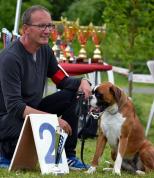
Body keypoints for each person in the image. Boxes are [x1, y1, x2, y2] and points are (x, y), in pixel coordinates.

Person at [0, 5, 92, 170]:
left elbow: (61, 80)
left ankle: (68, 155)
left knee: (72, 94)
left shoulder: (45, 50)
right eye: (42, 26)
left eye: (50, 25)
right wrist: (52, 121)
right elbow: (15, 107)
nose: (48, 30)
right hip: (8, 120)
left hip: (31, 112)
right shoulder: (10, 58)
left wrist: (81, 82)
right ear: (25, 29)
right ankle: (3, 150)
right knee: (22, 145)